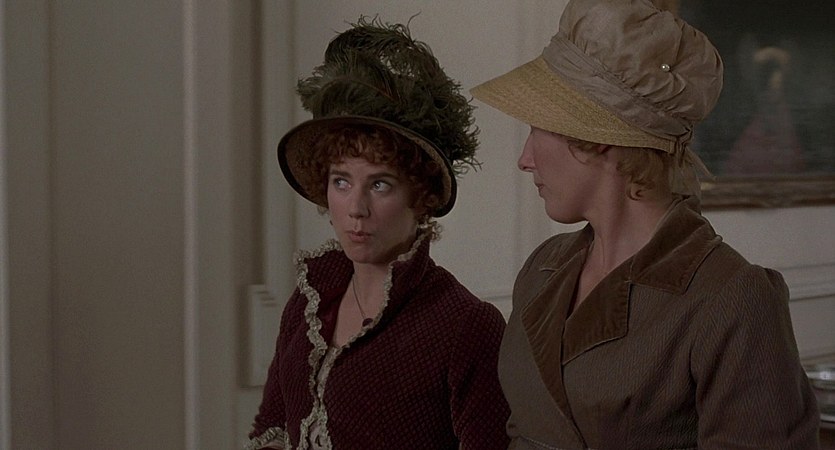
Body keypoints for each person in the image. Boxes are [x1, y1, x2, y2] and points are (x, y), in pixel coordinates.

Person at [470, 0, 820, 448]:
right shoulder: (543, 269)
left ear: (598, 137)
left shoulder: (732, 297)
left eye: (538, 128)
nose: (525, 159)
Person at [246, 17, 510, 450]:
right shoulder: (310, 301)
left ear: (421, 195)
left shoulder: (464, 326)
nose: (356, 208)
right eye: (341, 182)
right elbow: (271, 426)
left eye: (380, 184)